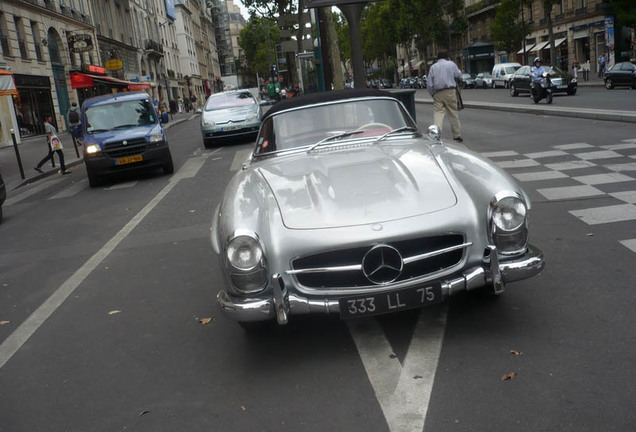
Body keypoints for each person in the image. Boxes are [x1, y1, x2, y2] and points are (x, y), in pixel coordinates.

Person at [427, 51, 463, 142]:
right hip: (450, 91)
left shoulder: (433, 67)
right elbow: (459, 75)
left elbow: (429, 84)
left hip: (438, 93)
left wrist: (433, 94)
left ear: (438, 58)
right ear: (447, 57)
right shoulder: (451, 64)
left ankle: (436, 134)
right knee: (453, 113)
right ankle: (456, 134)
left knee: (438, 114)